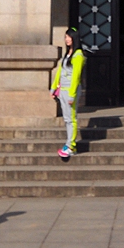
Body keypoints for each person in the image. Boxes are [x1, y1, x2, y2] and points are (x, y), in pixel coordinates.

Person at [51, 28, 85, 161]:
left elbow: (76, 77)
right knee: (67, 119)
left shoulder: (78, 55)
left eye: (69, 37)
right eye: (65, 37)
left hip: (71, 91)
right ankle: (71, 145)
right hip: (63, 89)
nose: (66, 40)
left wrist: (72, 94)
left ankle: (70, 145)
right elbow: (60, 70)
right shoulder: (68, 54)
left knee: (71, 118)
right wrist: (54, 87)